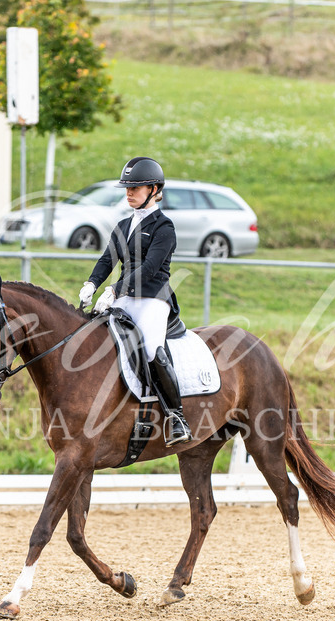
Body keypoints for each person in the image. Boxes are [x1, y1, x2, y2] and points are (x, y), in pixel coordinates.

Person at [78, 156, 192, 447]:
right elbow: (107, 259)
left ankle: (175, 416)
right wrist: (92, 283)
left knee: (152, 350)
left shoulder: (164, 227)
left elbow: (150, 268)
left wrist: (115, 290)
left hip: (153, 299)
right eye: (127, 188)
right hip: (124, 296)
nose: (129, 193)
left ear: (154, 189)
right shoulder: (123, 224)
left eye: (136, 188)